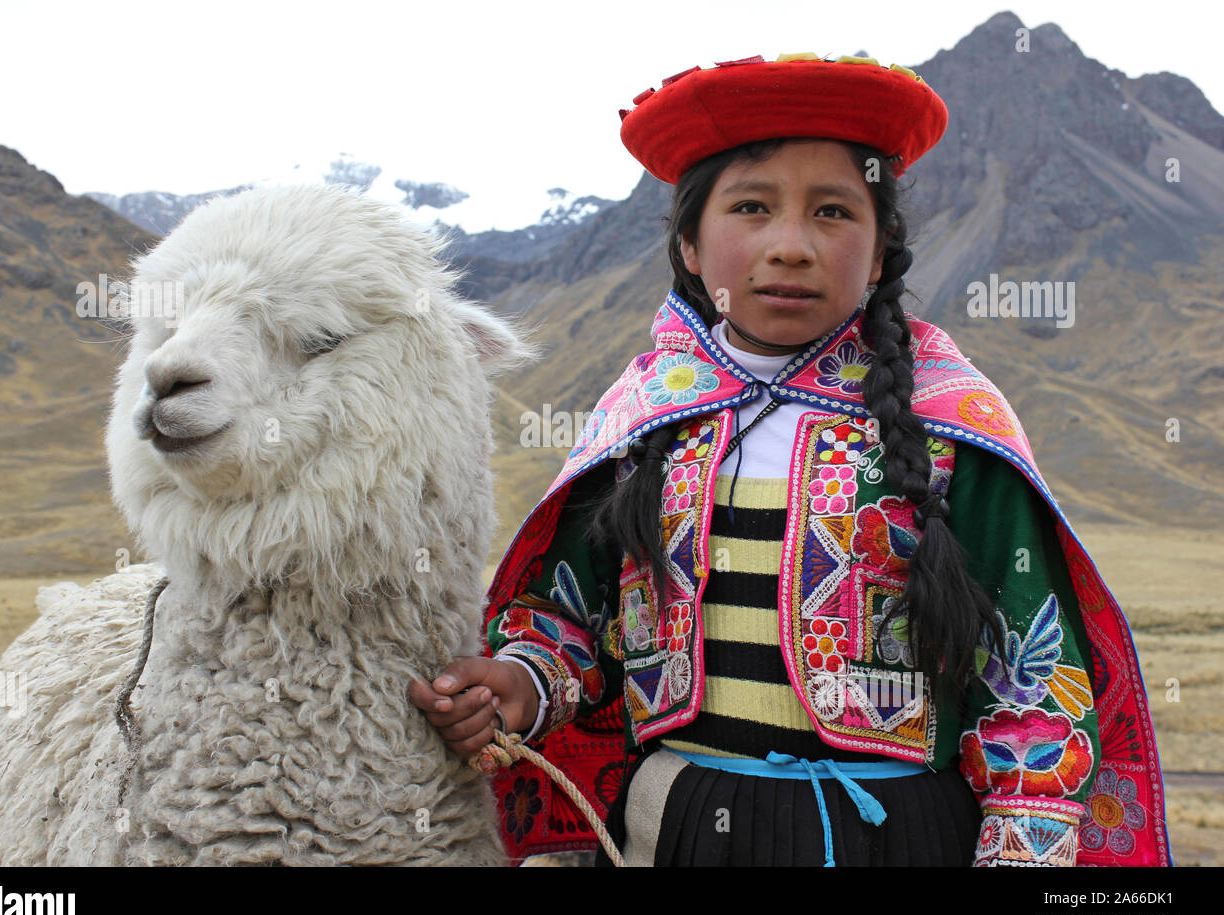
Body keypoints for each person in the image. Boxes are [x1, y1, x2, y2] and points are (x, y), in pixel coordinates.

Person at [408, 53, 1171, 867]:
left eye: (834, 212)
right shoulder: (641, 426)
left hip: (904, 840)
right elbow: (572, 619)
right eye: (750, 207)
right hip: (676, 831)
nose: (792, 245)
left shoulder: (952, 427)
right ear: (690, 248)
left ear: (880, 257)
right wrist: (521, 686)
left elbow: (1034, 673)